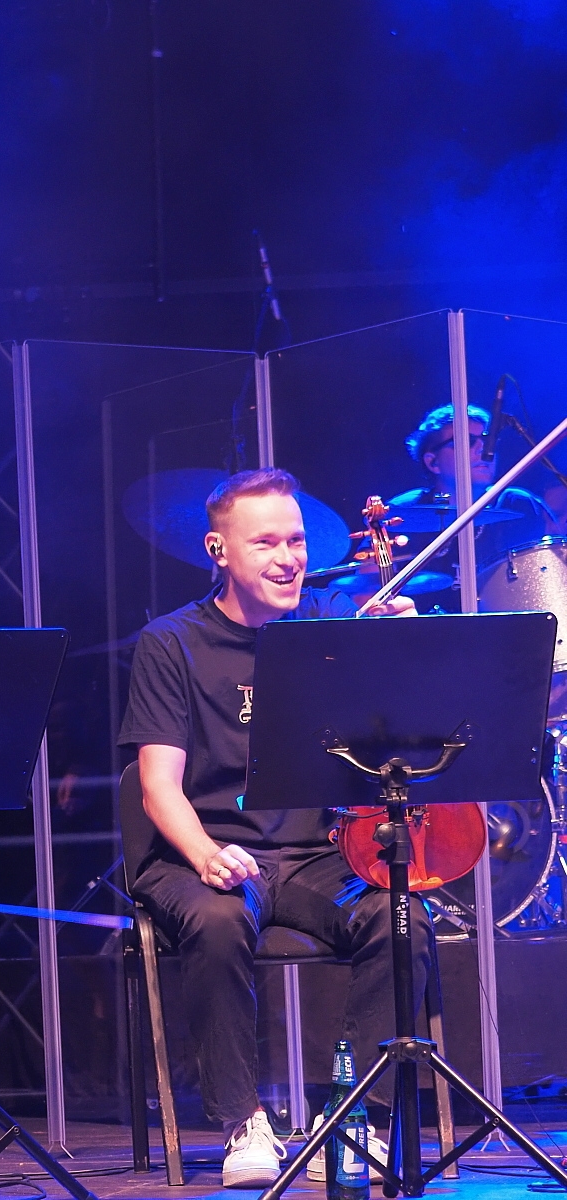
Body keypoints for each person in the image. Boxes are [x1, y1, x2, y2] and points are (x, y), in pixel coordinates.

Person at [118, 468, 427, 1189]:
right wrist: (204, 853)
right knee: (218, 919)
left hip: (318, 853)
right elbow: (158, 785)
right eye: (266, 543)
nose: (288, 558)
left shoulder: (331, 622)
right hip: (203, 850)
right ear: (218, 550)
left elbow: (399, 727)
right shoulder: (172, 642)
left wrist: (405, 646)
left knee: (402, 916)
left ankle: (351, 1118)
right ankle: (243, 1122)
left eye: (296, 541)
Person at [387, 403, 553, 608]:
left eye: (487, 440)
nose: (482, 448)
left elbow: (556, 570)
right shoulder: (401, 512)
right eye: (467, 441)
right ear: (433, 462)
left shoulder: (518, 504)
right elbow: (364, 588)